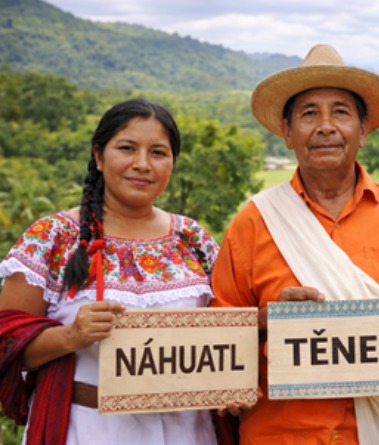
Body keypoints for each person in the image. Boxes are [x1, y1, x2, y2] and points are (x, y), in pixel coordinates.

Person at [209, 43, 379, 444]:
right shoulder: (255, 221)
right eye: (309, 113)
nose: (326, 126)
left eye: (341, 112)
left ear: (364, 131)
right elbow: (218, 335)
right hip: (280, 434)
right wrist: (267, 319)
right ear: (286, 132)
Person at [0, 99, 236, 444]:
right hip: (86, 428)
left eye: (158, 152)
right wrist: (71, 336)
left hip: (189, 429)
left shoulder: (193, 238)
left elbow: (228, 327)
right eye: (127, 148)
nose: (142, 164)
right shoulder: (51, 238)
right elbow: (5, 342)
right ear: (98, 156)